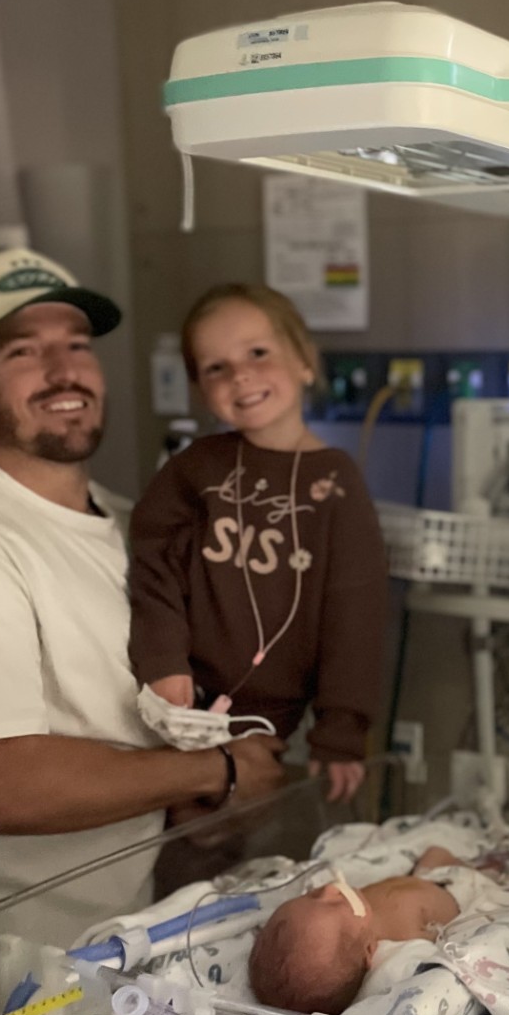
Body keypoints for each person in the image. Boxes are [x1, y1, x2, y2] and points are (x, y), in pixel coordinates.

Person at [0, 249, 286, 948]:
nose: (63, 371)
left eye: (76, 345)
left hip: (134, 933)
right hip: (24, 970)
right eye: (24, 351)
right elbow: (1, 787)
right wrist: (217, 771)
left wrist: (217, 789)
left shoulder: (135, 526)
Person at [128, 284, 389, 890]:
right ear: (201, 389)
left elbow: (353, 610)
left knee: (238, 863)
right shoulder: (196, 470)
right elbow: (151, 562)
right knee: (168, 860)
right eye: (216, 368)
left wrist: (342, 730)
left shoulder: (336, 483)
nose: (240, 376)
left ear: (303, 360)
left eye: (257, 354)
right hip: (175, 708)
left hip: (267, 728)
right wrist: (162, 659)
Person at [248, 847, 509, 1015]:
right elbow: (445, 946)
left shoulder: (355, 916)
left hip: (426, 877)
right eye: (334, 904)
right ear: (369, 951)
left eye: (312, 895)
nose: (330, 889)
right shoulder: (404, 940)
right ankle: (498, 877)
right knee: (501, 904)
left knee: (434, 853)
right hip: (465, 895)